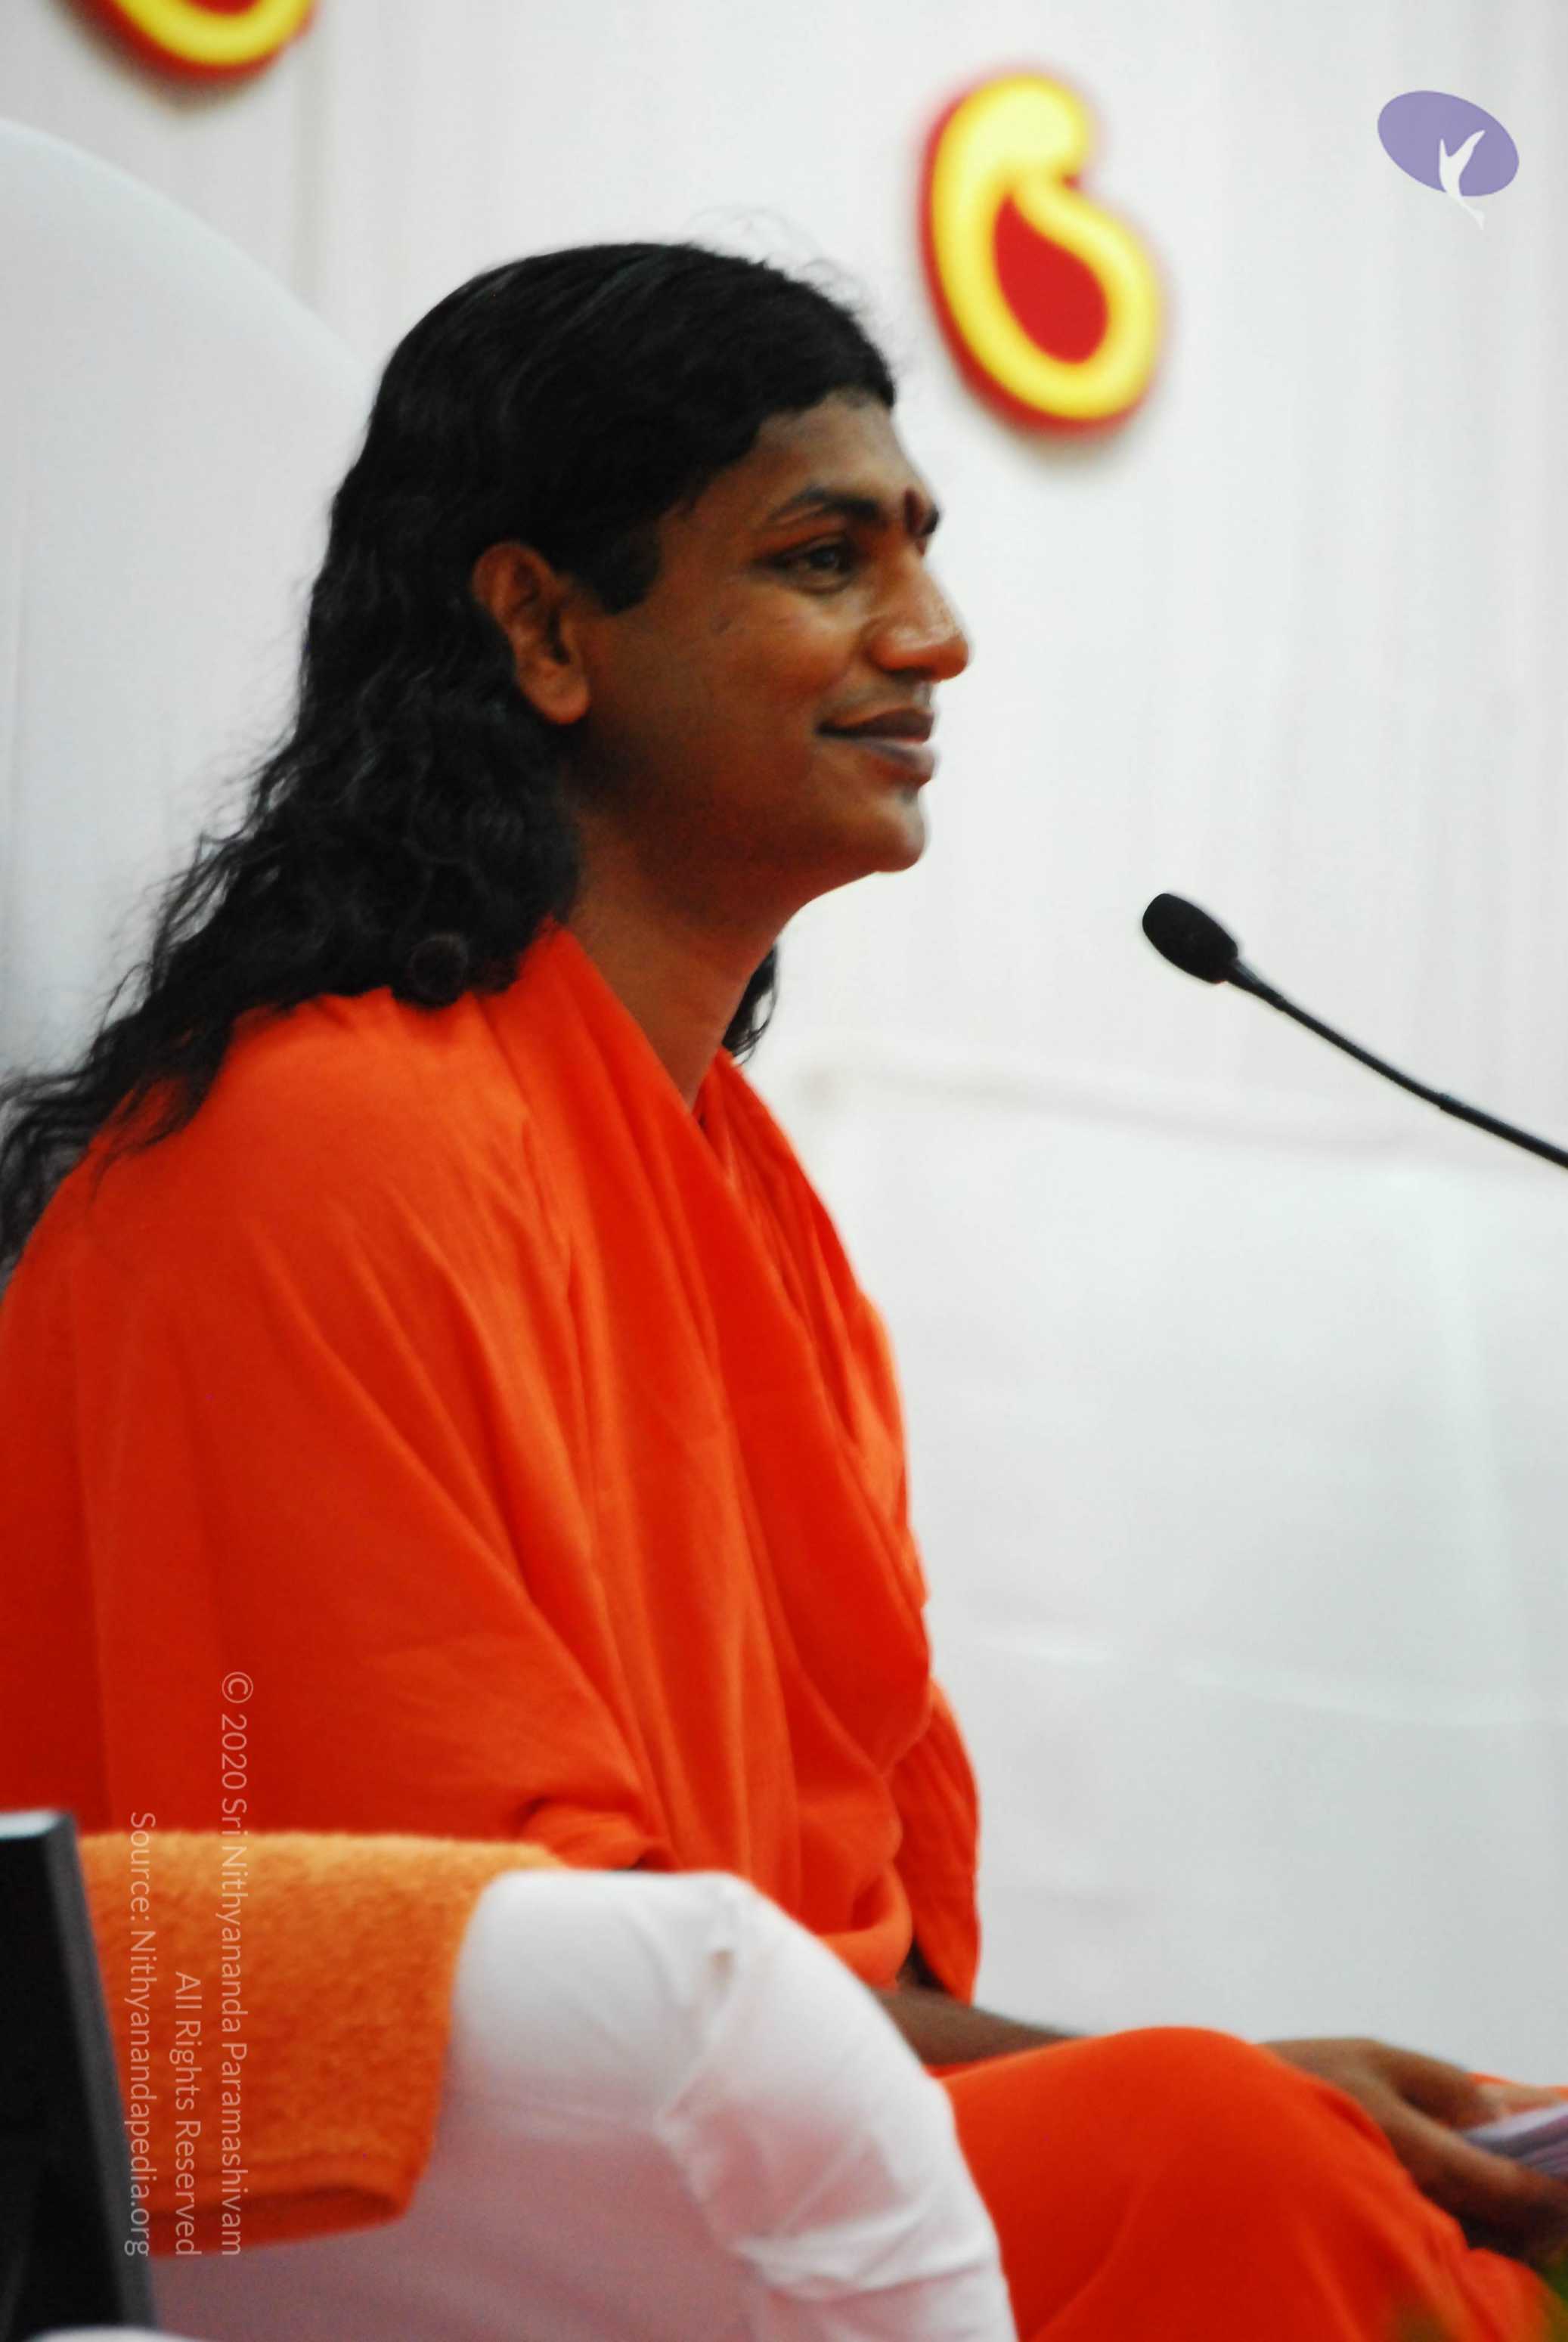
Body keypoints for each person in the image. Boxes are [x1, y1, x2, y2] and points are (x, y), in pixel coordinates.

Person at [1, 241, 1564, 2341]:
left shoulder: (745, 1197)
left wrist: (1224, 2081)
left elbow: (841, 1958)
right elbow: (475, 1992)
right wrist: (1198, 2093)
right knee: (1229, 2152)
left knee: (1391, 2171)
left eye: (918, 547)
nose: (935, 634)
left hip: (745, 2182)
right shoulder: (317, 1145)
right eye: (826, 560)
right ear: (547, 628)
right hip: (373, 2234)